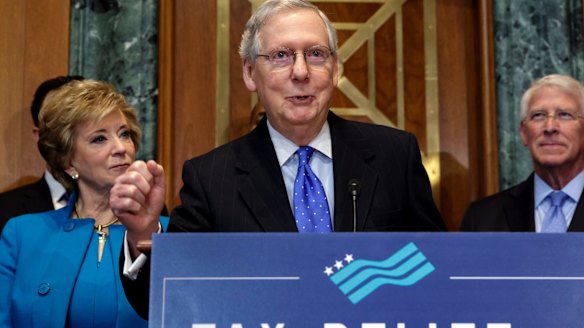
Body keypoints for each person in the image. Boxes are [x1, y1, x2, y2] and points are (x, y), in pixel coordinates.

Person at [109, 0, 445, 318]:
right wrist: (143, 236)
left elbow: (437, 270)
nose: (301, 72)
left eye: (315, 54)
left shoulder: (393, 155)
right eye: (281, 55)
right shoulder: (211, 178)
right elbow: (170, 301)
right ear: (250, 73)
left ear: (335, 69)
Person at [0, 79, 169, 327]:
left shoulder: (166, 232)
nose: (121, 147)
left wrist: (144, 233)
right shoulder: (22, 234)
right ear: (68, 161)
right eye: (99, 139)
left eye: (125, 134)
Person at [461, 74, 584, 232]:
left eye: (564, 115)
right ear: (524, 133)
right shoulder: (482, 218)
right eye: (538, 115)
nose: (550, 127)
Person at [0, 75, 84, 231]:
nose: (68, 136)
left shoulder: (125, 207)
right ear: (39, 136)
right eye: (58, 124)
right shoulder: (5, 212)